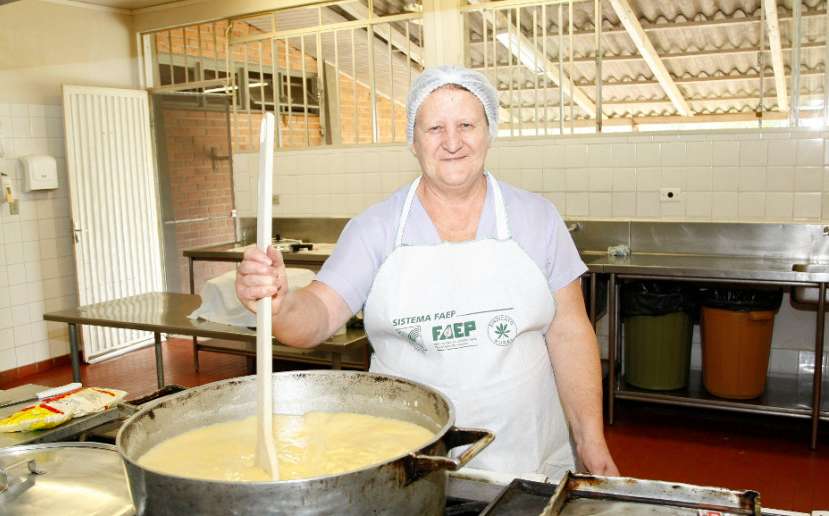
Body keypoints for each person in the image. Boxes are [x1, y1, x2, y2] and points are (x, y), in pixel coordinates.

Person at [236, 65, 618, 480]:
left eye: (466, 124)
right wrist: (281, 302)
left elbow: (570, 331)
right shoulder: (375, 229)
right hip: (408, 466)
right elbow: (314, 321)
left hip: (527, 462)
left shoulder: (538, 219)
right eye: (434, 127)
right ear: (413, 142)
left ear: (489, 132)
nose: (452, 141)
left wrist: (590, 440)